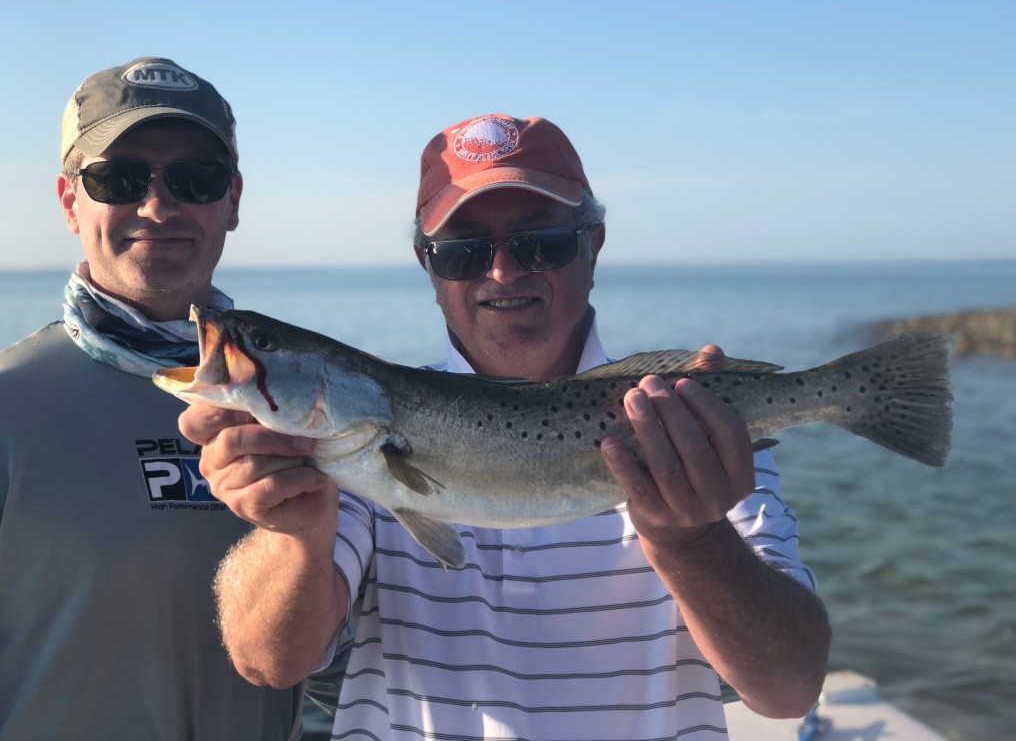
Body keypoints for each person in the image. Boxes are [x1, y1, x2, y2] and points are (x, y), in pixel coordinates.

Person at [179, 114, 832, 740]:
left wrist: (696, 545)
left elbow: (788, 691)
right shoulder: (345, 453)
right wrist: (296, 534)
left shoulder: (686, 427)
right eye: (462, 252)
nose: (501, 272)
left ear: (593, 244)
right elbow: (267, 663)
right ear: (427, 264)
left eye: (539, 243)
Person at [0, 57, 306, 740]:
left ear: (233, 200)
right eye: (119, 177)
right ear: (68, 200)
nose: (159, 206)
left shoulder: (304, 404)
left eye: (195, 179)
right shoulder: (10, 406)